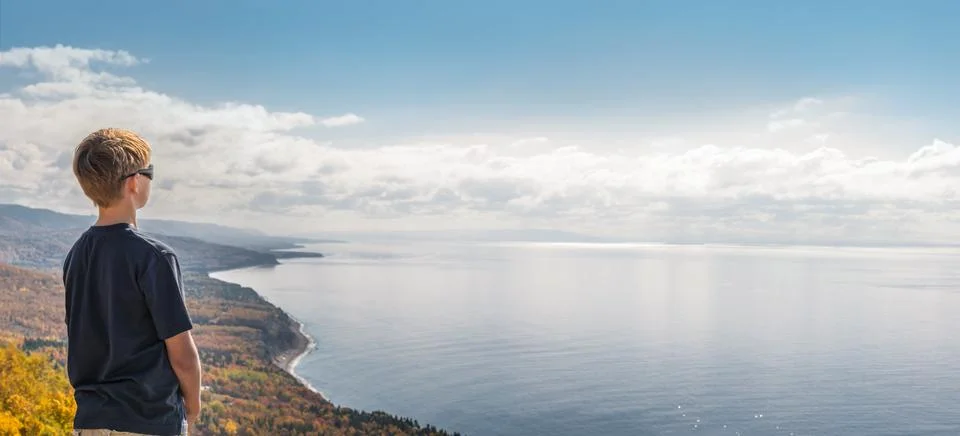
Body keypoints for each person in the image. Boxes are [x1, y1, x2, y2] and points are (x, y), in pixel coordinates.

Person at [62, 128, 202, 436]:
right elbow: (182, 354)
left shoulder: (76, 254)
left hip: (90, 422)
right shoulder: (154, 257)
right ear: (134, 183)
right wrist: (192, 408)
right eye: (149, 172)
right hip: (149, 421)